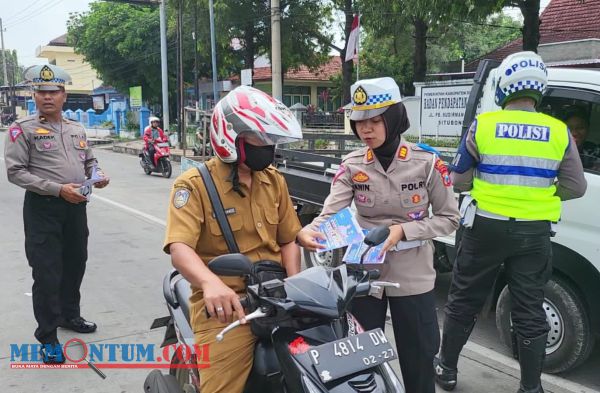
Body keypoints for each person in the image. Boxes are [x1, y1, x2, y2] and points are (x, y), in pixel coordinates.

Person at [434, 52, 587, 393]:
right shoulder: (559, 131)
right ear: (538, 90)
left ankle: (446, 369)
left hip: (485, 227)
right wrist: (540, 196)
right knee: (530, 307)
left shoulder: (485, 124)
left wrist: (484, 184)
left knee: (464, 299)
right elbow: (577, 186)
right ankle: (531, 388)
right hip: (534, 233)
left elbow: (458, 180)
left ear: (504, 87)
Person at [296, 77, 460, 393]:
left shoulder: (426, 163)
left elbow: (449, 219)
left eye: (374, 121)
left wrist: (403, 231)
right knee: (359, 361)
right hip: (364, 276)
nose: (365, 130)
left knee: (419, 358)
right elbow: (331, 212)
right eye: (360, 122)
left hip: (412, 275)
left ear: (394, 117)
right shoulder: (352, 165)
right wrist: (310, 231)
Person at [163, 85, 303, 393]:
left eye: (271, 140)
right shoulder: (194, 185)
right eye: (260, 138)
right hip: (229, 306)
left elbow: (289, 239)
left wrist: (296, 288)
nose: (268, 146)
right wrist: (211, 283)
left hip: (277, 296)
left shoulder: (274, 181)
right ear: (230, 136)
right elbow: (179, 248)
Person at [4, 64, 110, 364]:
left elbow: (90, 160)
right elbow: (16, 173)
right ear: (33, 95)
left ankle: (69, 316)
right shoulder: (21, 130)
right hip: (43, 209)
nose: (47, 97)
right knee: (47, 273)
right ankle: (48, 337)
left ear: (64, 95)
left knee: (75, 264)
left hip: (76, 207)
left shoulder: (76, 128)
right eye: (41, 92)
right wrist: (57, 189)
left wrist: (98, 175)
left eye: (53, 92)